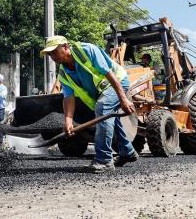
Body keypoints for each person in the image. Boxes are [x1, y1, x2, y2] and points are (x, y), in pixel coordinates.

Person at [40, 35, 138, 173]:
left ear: (66, 47)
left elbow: (109, 74)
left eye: (54, 52)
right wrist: (68, 121)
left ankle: (104, 160)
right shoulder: (63, 73)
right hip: (101, 91)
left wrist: (123, 99)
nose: (52, 57)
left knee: (103, 108)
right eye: (49, 54)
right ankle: (127, 151)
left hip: (117, 81)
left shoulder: (87, 50)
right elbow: (68, 97)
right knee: (110, 118)